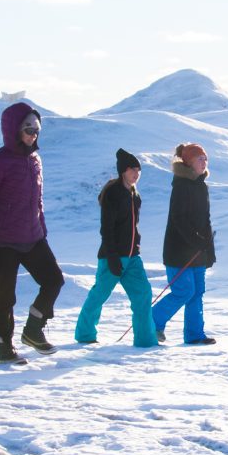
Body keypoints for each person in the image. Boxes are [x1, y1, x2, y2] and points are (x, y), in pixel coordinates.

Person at [0, 102, 65, 365]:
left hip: (32, 237)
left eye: (37, 130)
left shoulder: (35, 158)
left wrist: (41, 228)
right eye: (28, 129)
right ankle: (4, 348)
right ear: (13, 130)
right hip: (2, 242)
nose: (33, 135)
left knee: (54, 280)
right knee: (5, 297)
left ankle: (33, 330)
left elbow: (37, 199)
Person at [74, 148, 158, 348]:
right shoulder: (113, 193)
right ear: (123, 171)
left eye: (138, 169)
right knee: (99, 294)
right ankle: (85, 334)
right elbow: (107, 228)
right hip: (111, 257)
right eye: (132, 169)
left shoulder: (135, 195)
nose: (136, 173)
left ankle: (146, 340)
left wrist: (135, 247)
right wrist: (112, 257)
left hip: (133, 258)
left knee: (143, 293)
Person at [151, 143, 217, 345]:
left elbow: (205, 220)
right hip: (178, 251)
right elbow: (179, 220)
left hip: (197, 251)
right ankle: (151, 323)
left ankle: (195, 335)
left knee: (197, 292)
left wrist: (209, 250)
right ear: (188, 162)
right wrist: (196, 242)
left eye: (205, 158)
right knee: (184, 291)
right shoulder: (182, 185)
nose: (204, 162)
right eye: (200, 159)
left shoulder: (201, 186)